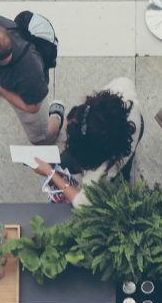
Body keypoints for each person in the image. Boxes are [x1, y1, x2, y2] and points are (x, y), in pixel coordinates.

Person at [32, 77, 144, 207]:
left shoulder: (98, 176)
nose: (65, 139)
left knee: (63, 163)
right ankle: (124, 177)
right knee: (126, 166)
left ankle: (121, 180)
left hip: (110, 158)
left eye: (69, 138)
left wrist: (50, 173)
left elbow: (82, 204)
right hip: (134, 130)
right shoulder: (124, 88)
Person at [0, 11, 65, 145]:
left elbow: (33, 107)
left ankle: (56, 117)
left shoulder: (29, 74)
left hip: (29, 94)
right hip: (3, 77)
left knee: (39, 139)